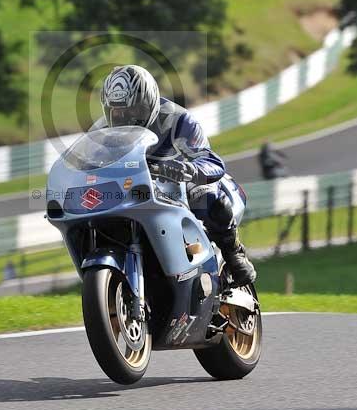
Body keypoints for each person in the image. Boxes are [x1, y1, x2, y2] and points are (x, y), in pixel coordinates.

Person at [96, 64, 256, 286]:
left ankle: (234, 253)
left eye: (133, 111)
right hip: (134, 191)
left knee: (205, 196)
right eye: (117, 112)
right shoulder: (102, 132)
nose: (125, 119)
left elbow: (210, 159)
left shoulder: (176, 120)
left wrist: (189, 170)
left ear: (150, 102)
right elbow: (85, 162)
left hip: (176, 188)